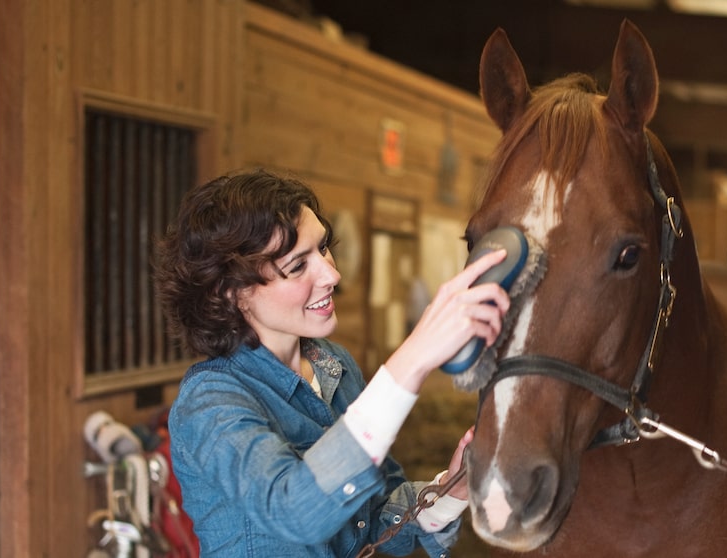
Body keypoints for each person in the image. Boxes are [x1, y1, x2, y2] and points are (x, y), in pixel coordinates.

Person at [153, 169, 510, 557]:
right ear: (233, 294)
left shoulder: (332, 365)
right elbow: (294, 511)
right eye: (297, 266)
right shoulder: (210, 401)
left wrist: (448, 492)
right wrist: (414, 358)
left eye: (322, 249)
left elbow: (372, 518)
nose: (332, 274)